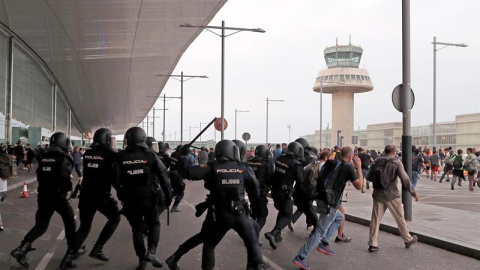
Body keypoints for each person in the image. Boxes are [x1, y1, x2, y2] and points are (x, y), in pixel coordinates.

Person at [168, 140, 267, 270]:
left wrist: (183, 155)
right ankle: (258, 263)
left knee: (209, 243)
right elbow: (255, 188)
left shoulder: (212, 166)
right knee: (252, 240)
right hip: (240, 213)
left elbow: (187, 172)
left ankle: (177, 257)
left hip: (219, 214)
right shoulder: (242, 167)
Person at [11, 133, 77, 269]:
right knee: (70, 220)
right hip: (58, 196)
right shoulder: (64, 158)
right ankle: (72, 252)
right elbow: (64, 178)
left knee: (41, 225)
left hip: (43, 195)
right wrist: (69, 190)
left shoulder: (45, 157)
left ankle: (22, 249)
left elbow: (41, 175)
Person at [292, 146, 363, 270]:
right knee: (319, 232)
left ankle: (325, 243)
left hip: (322, 198)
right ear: (351, 157)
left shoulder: (333, 163)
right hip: (331, 203)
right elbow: (359, 186)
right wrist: (359, 168)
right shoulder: (348, 167)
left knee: (339, 218)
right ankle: (301, 257)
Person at [61, 128, 122, 269]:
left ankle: (68, 258)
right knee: (115, 218)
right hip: (101, 196)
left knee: (84, 227)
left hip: (86, 195)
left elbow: (87, 174)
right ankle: (98, 248)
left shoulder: (88, 153)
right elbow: (115, 178)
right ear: (106, 139)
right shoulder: (110, 154)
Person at [116, 127, 172, 270]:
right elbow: (164, 177)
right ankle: (151, 252)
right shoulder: (150, 155)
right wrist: (168, 196)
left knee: (137, 229)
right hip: (148, 198)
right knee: (154, 224)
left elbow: (114, 178)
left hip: (130, 199)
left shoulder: (121, 156)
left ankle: (142, 261)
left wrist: (120, 193)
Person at [366, 145, 419, 253]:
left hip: (378, 194)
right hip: (392, 194)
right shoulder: (396, 162)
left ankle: (373, 243)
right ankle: (408, 239)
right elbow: (405, 179)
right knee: (399, 218)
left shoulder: (376, 161)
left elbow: (369, 177)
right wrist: (413, 192)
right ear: (394, 152)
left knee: (375, 220)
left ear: (385, 151)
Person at [264, 142, 305, 250]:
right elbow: (300, 182)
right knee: (288, 215)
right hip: (285, 192)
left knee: (282, 211)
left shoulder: (279, 159)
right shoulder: (296, 164)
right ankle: (273, 233)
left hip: (275, 191)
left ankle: (277, 236)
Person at [247, 145, 274, 232]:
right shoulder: (267, 163)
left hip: (250, 191)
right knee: (262, 215)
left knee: (253, 212)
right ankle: (253, 234)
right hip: (260, 192)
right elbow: (270, 178)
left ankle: (248, 230)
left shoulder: (249, 162)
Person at [169, 145, 191, 212]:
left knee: (175, 191)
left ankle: (165, 202)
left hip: (171, 175)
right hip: (178, 177)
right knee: (181, 192)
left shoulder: (173, 155)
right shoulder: (182, 158)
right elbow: (185, 168)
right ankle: (174, 207)